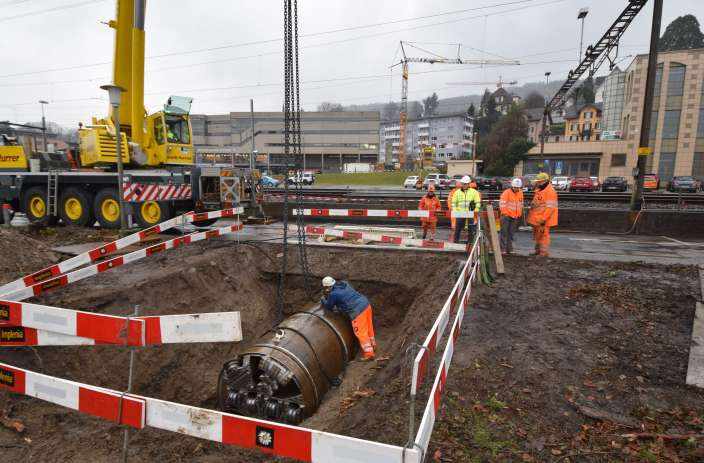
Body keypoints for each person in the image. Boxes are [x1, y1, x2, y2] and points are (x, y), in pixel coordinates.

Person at [321, 277, 376, 360]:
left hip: (357, 311)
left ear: (327, 287)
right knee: (369, 327)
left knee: (361, 332)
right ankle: (373, 345)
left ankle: (369, 354)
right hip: (366, 304)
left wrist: (323, 300)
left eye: (325, 288)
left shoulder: (333, 294)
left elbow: (329, 307)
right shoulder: (344, 284)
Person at [527, 172, 558, 257]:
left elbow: (550, 208)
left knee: (543, 235)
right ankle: (538, 251)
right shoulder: (540, 190)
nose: (537, 183)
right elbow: (538, 203)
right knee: (537, 234)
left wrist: (544, 219)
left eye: (539, 181)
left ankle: (543, 253)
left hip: (543, 219)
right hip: (537, 218)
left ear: (545, 181)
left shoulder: (550, 191)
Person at [451, 176, 481, 244]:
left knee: (471, 229)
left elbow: (478, 203)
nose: (464, 185)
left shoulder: (474, 192)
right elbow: (453, 203)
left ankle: (470, 243)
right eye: (463, 183)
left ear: (468, 184)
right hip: (460, 213)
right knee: (457, 229)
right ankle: (455, 243)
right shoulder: (457, 192)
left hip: (471, 213)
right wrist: (456, 211)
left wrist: (475, 211)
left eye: (465, 184)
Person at [499, 178, 524, 254]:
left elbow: (520, 204)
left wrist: (519, 214)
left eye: (518, 187)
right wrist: (506, 213)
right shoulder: (506, 193)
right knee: (504, 232)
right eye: (515, 187)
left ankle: (509, 249)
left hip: (515, 216)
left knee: (511, 233)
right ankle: (502, 249)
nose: (516, 189)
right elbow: (502, 204)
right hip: (506, 216)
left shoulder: (520, 193)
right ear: (512, 186)